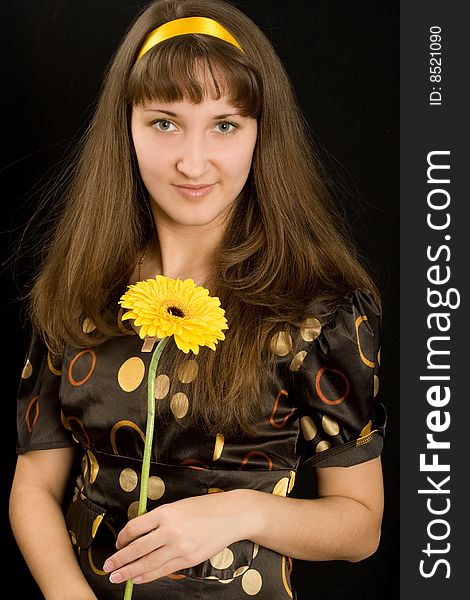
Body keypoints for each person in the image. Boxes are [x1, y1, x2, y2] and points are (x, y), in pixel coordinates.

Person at [9, 0, 386, 598]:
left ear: (262, 134)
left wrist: (241, 513)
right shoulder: (81, 287)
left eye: (225, 125)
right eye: (164, 123)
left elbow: (361, 525)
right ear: (126, 127)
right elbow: (33, 484)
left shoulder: (317, 310)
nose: (192, 161)